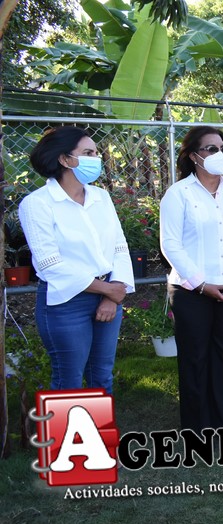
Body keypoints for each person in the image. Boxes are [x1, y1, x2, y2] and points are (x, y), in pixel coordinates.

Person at [20, 126, 135, 392]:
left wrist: (112, 293)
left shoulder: (101, 197)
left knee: (102, 377)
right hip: (66, 302)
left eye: (95, 152)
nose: (97, 158)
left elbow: (119, 246)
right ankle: (67, 423)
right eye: (88, 153)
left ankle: (100, 423)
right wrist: (108, 290)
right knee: (68, 381)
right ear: (65, 159)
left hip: (109, 293)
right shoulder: (37, 204)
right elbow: (50, 264)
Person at [160, 126, 223, 434]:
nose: (220, 154)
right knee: (195, 358)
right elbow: (170, 245)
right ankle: (196, 428)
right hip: (191, 291)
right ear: (194, 156)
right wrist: (202, 285)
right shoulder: (178, 194)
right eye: (211, 149)